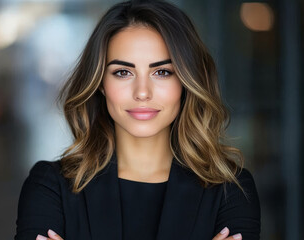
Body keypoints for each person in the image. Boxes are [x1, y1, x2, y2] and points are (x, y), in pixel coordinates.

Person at [14, 0, 261, 239]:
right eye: (123, 72)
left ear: (186, 81)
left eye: (162, 72)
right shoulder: (50, 187)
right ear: (100, 83)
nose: (142, 92)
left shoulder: (231, 190)